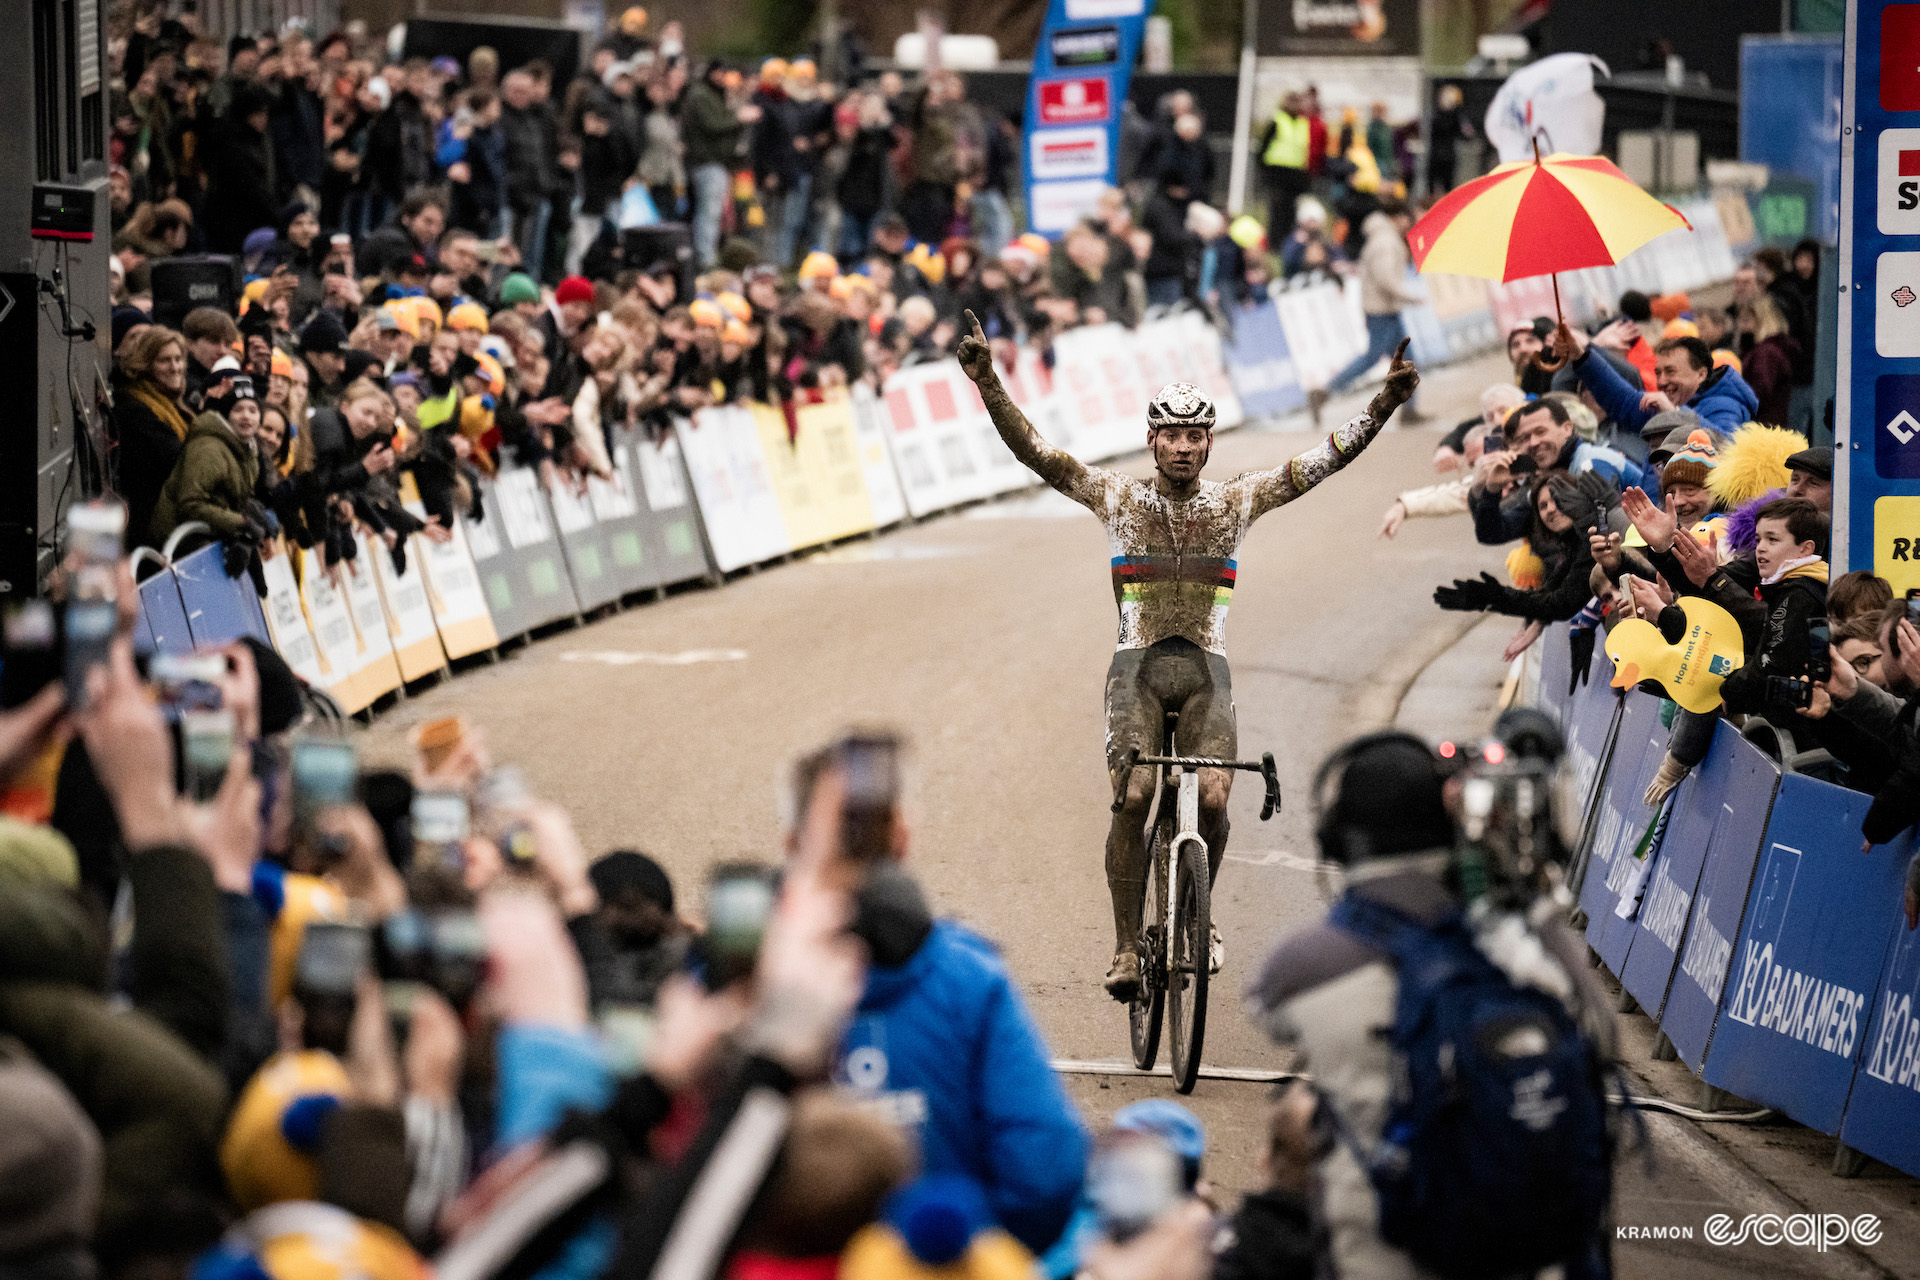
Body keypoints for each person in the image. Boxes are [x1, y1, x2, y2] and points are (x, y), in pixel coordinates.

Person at [957, 310, 1420, 999]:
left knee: (1213, 791)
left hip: (1206, 673)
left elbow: (1322, 460)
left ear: (1209, 443)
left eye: (1194, 436)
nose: (1181, 447)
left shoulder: (1238, 500)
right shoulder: (1115, 496)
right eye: (1170, 435)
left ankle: (1196, 912)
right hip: (1137, 671)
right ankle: (1122, 947)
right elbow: (1039, 453)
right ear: (1151, 440)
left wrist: (1382, 403)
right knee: (1136, 795)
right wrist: (988, 381)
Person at [1245, 732, 1615, 1280]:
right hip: (1536, 1255)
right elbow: (1603, 1040)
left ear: (1338, 840)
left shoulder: (1307, 965)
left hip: (1380, 1256)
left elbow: (1265, 1011)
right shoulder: (1516, 946)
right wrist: (1532, 897)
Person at [784, 736, 1089, 1254]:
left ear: (793, 843)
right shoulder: (969, 978)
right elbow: (1045, 1177)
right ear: (903, 836)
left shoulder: (729, 985)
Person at [1467, 395, 1653, 545]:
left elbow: (1603, 536)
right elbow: (1492, 534)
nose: (1533, 443)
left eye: (1540, 432)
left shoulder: (1592, 463)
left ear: (1567, 429)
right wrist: (1490, 489)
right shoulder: (1544, 478)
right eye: (1524, 438)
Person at [1306, 200, 1423, 426]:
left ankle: (1409, 410)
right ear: (1398, 216)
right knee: (1374, 358)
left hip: (1383, 309)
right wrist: (1409, 296)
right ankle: (1324, 391)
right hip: (1383, 310)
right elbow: (1385, 278)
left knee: (1405, 360)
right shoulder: (1386, 242)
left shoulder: (1380, 238)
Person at [1551, 326, 1759, 437]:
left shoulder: (1726, 404)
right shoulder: (1666, 404)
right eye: (1658, 373)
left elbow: (1723, 448)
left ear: (1701, 374)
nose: (1662, 381)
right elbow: (1623, 400)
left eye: (1670, 371)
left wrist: (1675, 415)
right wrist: (1580, 356)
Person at [113, 326, 194, 552]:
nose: (175, 367)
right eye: (164, 361)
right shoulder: (134, 409)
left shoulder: (174, 406)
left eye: (178, 359)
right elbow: (178, 460)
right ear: (146, 364)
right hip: (150, 535)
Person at [1259, 91, 1313, 239]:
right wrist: (1265, 172)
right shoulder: (1277, 121)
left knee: (1291, 211)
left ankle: (1288, 242)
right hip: (1277, 173)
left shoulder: (1303, 123)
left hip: (1294, 174)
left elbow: (1304, 151)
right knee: (1277, 210)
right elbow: (1263, 148)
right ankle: (1275, 242)